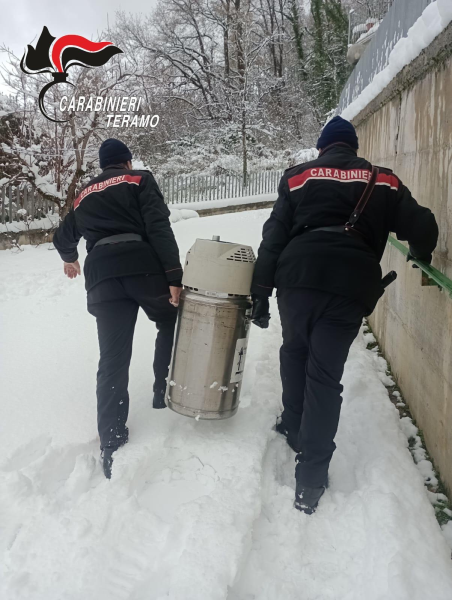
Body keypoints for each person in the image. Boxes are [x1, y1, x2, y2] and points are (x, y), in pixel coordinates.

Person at [250, 116, 438, 514]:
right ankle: (311, 481)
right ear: (353, 147)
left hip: (297, 279)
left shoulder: (297, 177)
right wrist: (421, 256)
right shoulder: (382, 180)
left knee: (294, 351)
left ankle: (293, 425)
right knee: (324, 377)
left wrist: (261, 294)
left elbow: (273, 239)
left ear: (322, 149)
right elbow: (423, 224)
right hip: (349, 287)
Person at [53, 139, 182, 478]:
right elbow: (158, 226)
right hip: (143, 269)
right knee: (169, 318)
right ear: (126, 162)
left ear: (102, 166)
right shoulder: (139, 179)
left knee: (112, 359)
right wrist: (174, 276)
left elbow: (63, 237)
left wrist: (70, 259)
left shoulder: (83, 194)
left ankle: (111, 442)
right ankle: (161, 391)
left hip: (102, 280)